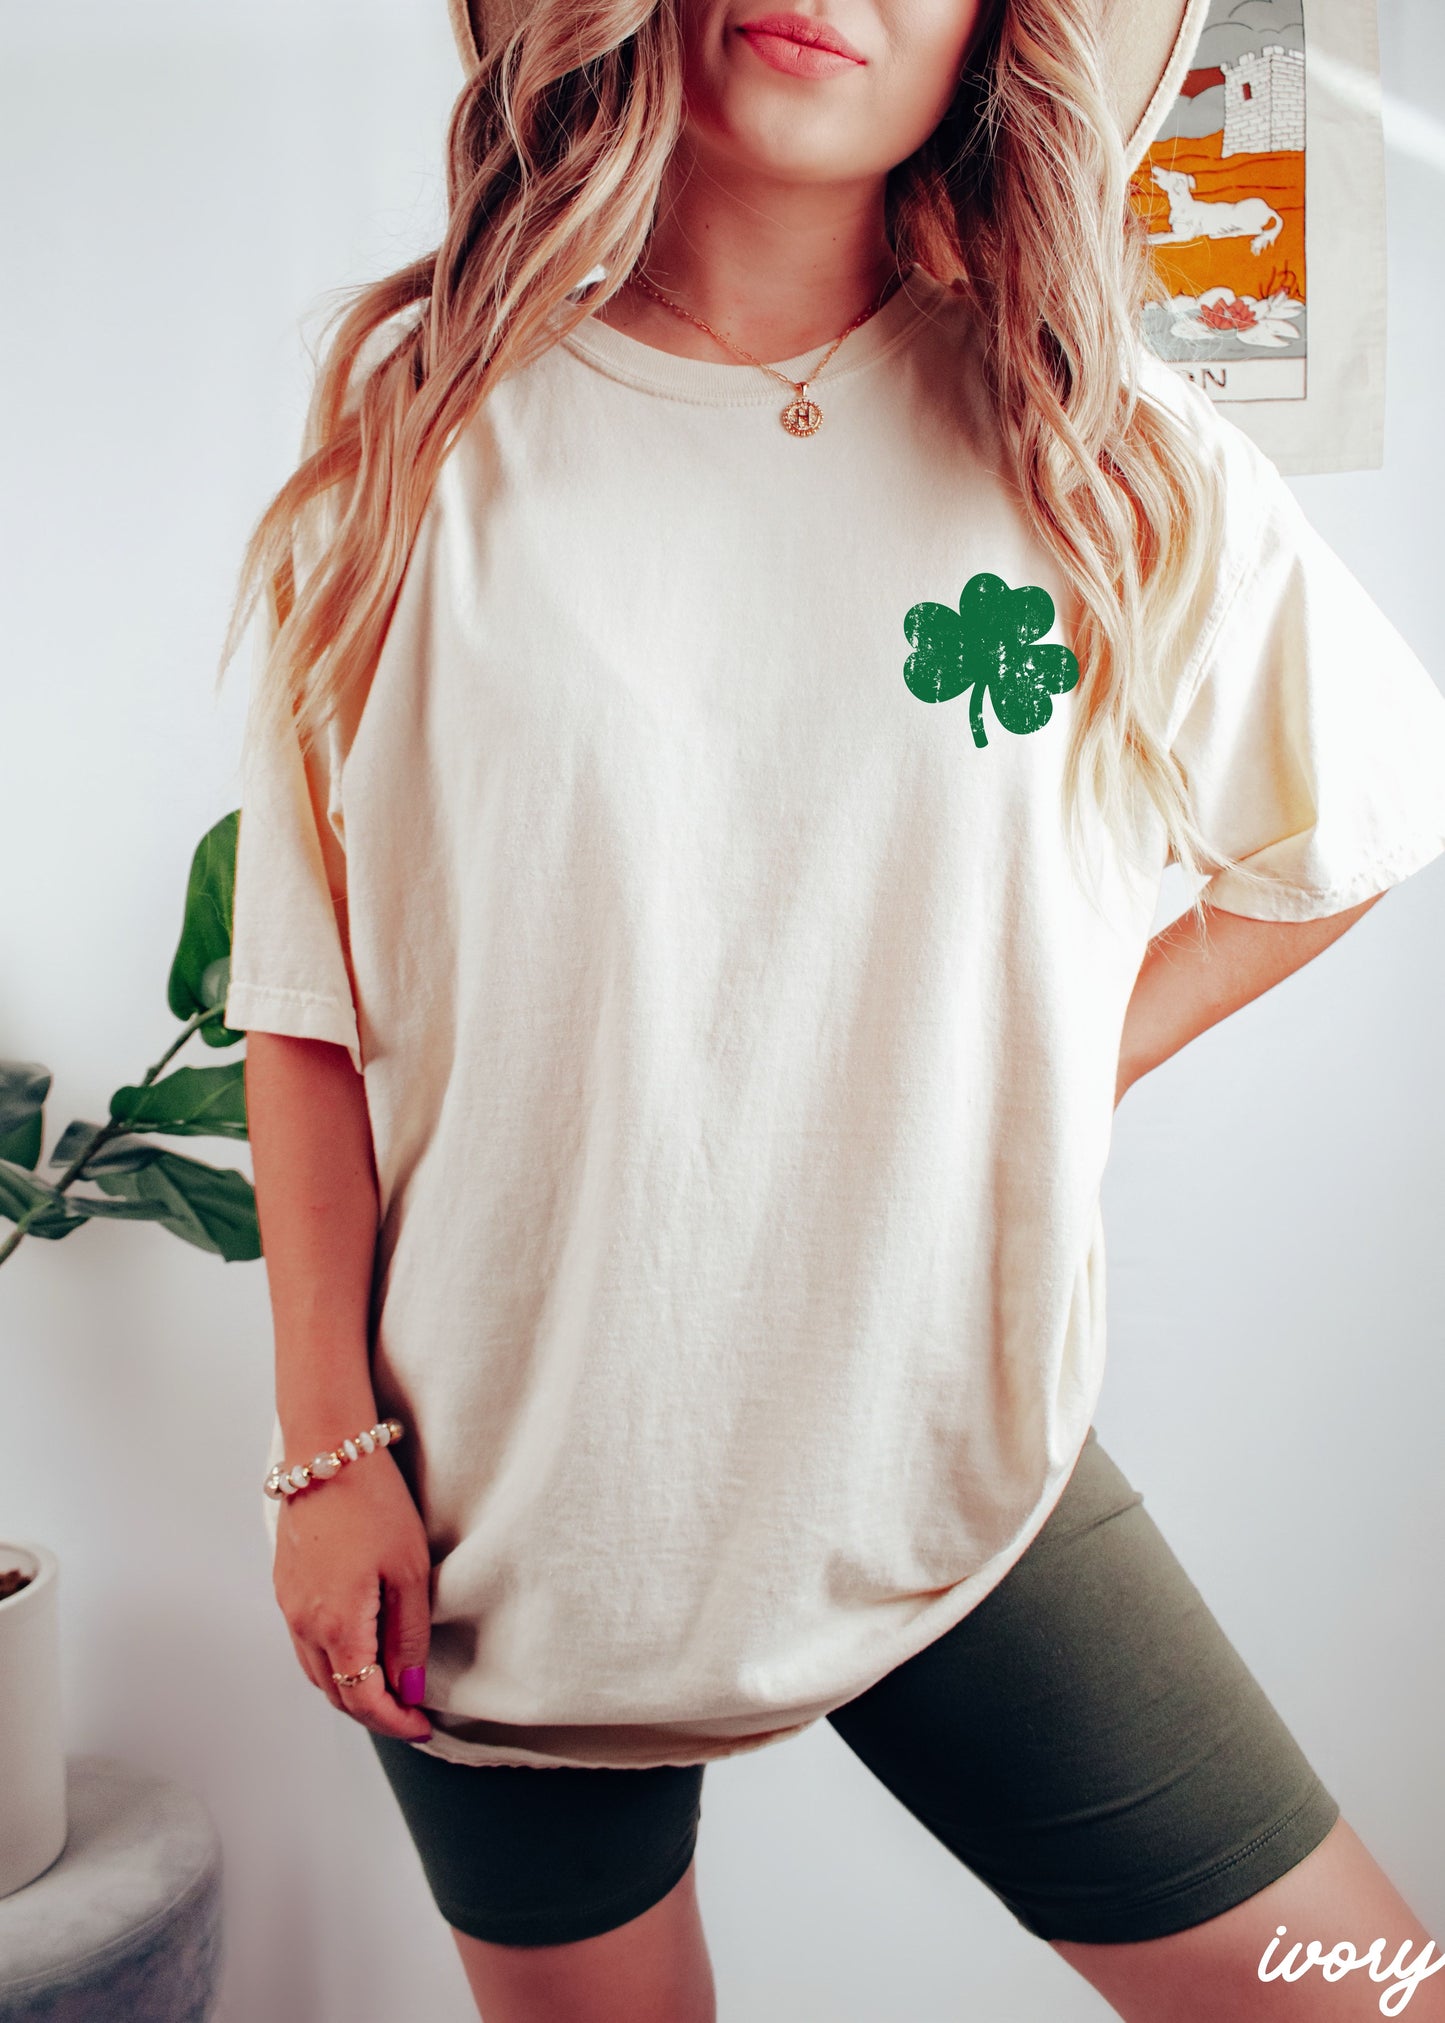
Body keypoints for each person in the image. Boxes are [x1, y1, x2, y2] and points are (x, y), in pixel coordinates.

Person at [221, 0, 1445, 2016]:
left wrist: (1044, 1070)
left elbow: (1352, 823)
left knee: (1363, 1996)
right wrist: (320, 1452)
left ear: (991, 39)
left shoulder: (1094, 444)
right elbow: (303, 1004)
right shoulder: (422, 433)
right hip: (497, 1485)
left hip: (956, 1447)